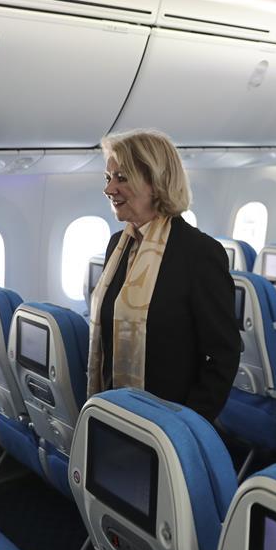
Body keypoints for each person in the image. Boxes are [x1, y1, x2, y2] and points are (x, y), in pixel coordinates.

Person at [87, 129, 240, 422]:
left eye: (121, 178)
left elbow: (224, 354)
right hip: (114, 410)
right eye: (108, 178)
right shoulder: (118, 245)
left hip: (169, 421)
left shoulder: (199, 253)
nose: (109, 189)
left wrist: (188, 424)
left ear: (156, 183)